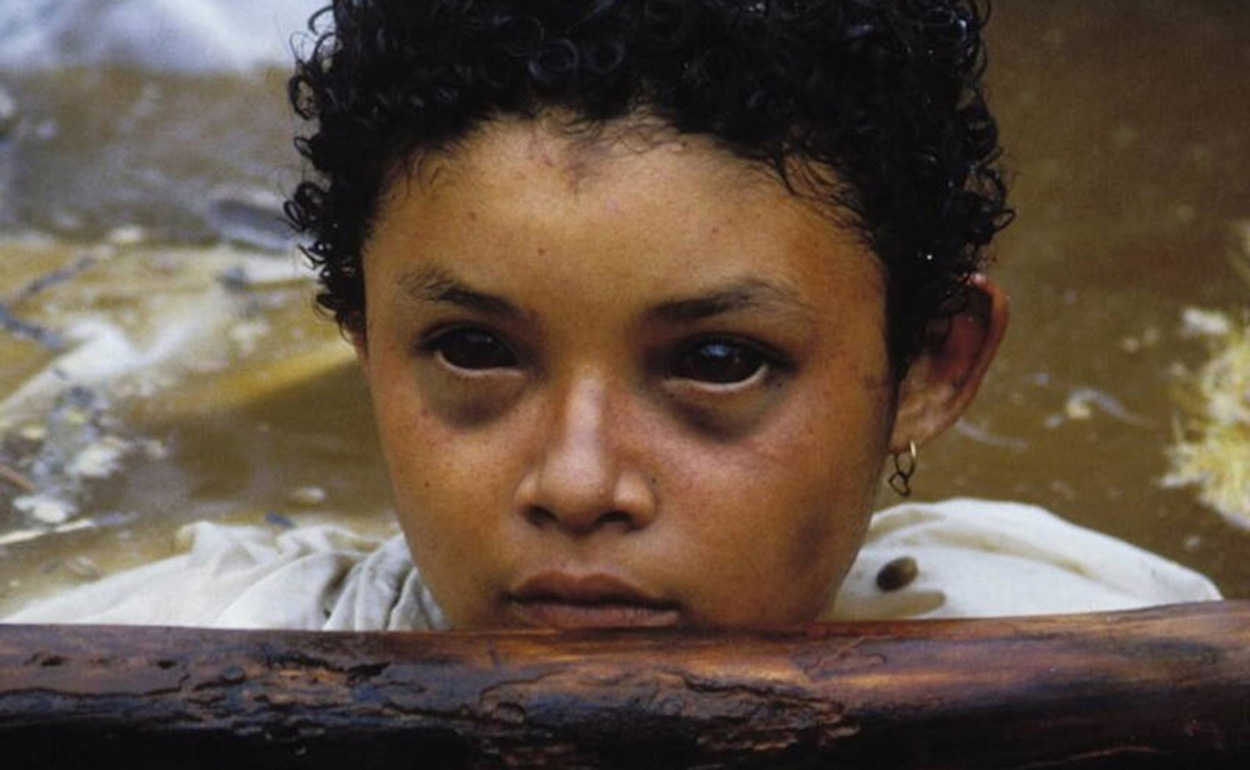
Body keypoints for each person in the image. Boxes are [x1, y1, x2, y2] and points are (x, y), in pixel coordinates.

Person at [3, 0, 1220, 630]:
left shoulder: (1119, 653)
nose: (578, 483)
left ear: (929, 366)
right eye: (473, 349)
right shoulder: (136, 664)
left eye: (718, 359)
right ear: (362, 337)